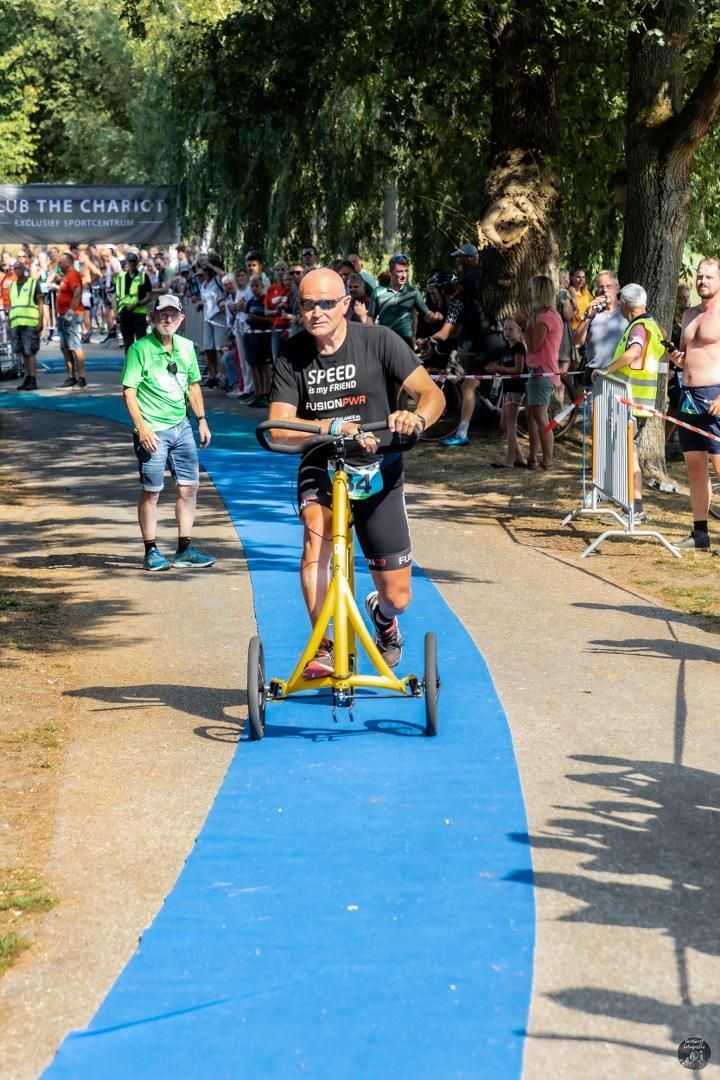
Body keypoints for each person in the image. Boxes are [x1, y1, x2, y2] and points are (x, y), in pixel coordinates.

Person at [268, 267, 445, 678]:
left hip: (378, 467)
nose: (316, 312)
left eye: (326, 303)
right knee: (316, 533)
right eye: (307, 304)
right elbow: (279, 427)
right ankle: (324, 644)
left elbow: (432, 394)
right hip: (322, 461)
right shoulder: (292, 354)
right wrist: (329, 427)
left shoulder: (380, 340)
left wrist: (415, 418)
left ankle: (383, 617)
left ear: (346, 304)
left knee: (398, 597)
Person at [121, 293, 216, 571]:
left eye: (173, 314)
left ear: (181, 318)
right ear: (153, 316)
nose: (168, 319)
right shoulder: (139, 349)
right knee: (152, 491)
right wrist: (142, 427)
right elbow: (129, 392)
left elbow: (193, 386)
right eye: (163, 314)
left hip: (181, 426)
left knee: (189, 487)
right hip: (153, 430)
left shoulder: (186, 347)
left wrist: (201, 420)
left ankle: (184, 549)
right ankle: (150, 550)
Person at [599, 283, 665, 522]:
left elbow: (635, 352)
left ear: (624, 304)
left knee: (630, 457)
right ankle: (633, 507)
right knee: (630, 455)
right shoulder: (653, 326)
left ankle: (635, 509)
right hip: (639, 403)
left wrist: (606, 370)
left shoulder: (638, 327)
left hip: (631, 403)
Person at [667, 257, 720, 549]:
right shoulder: (689, 315)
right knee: (696, 468)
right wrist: (677, 359)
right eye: (700, 276)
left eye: (709, 277)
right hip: (688, 397)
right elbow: (688, 357)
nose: (702, 281)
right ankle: (700, 534)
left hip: (714, 397)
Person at [516, 275, 563, 471]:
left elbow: (534, 346)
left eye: (531, 290)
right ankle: (533, 457)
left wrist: (524, 327)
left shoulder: (546, 318)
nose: (529, 294)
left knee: (540, 417)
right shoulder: (548, 315)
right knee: (532, 416)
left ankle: (548, 460)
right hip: (539, 371)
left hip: (542, 372)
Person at [368, 253, 441, 348]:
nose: (404, 275)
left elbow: (427, 316)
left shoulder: (413, 292)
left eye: (406, 271)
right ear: (390, 272)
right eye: (399, 271)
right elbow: (370, 319)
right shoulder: (378, 292)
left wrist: (438, 316)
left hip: (405, 342)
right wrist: (373, 339)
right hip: (385, 341)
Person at [485, 317, 527, 467]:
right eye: (505, 329)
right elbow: (506, 369)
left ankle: (510, 458)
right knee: (504, 424)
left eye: (511, 329)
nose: (507, 332)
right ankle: (519, 457)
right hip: (507, 387)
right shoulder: (507, 349)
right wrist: (495, 369)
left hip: (516, 388)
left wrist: (499, 368)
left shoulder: (519, 348)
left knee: (510, 424)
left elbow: (518, 369)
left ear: (519, 331)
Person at [573, 270, 628, 382]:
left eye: (609, 286)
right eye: (601, 287)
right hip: (593, 374)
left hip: (619, 373)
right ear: (597, 291)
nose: (604, 290)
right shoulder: (592, 312)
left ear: (617, 289)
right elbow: (576, 343)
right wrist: (587, 316)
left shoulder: (627, 311)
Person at [9, 255, 43, 391]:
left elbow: (40, 302)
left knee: (30, 352)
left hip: (30, 322)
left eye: (19, 268)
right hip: (16, 323)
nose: (17, 270)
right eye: (15, 268)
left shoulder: (33, 283)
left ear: (24, 269)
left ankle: (33, 378)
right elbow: (12, 305)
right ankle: (28, 377)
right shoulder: (12, 285)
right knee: (23, 352)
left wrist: (41, 320)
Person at [56, 251, 87, 387]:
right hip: (63, 315)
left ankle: (81, 377)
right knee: (65, 347)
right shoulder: (66, 276)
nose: (58, 264)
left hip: (72, 316)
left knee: (74, 345)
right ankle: (71, 376)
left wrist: (70, 312)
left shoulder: (73, 274)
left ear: (68, 263)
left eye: (60, 262)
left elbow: (77, 292)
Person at [115, 252, 152, 354]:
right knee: (128, 342)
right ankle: (129, 361)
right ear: (127, 262)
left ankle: (142, 361)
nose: (132, 263)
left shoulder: (143, 277)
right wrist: (116, 312)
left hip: (139, 313)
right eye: (130, 261)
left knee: (141, 341)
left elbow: (148, 296)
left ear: (137, 262)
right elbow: (115, 296)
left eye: (134, 261)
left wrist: (136, 304)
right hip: (124, 312)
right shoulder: (120, 277)